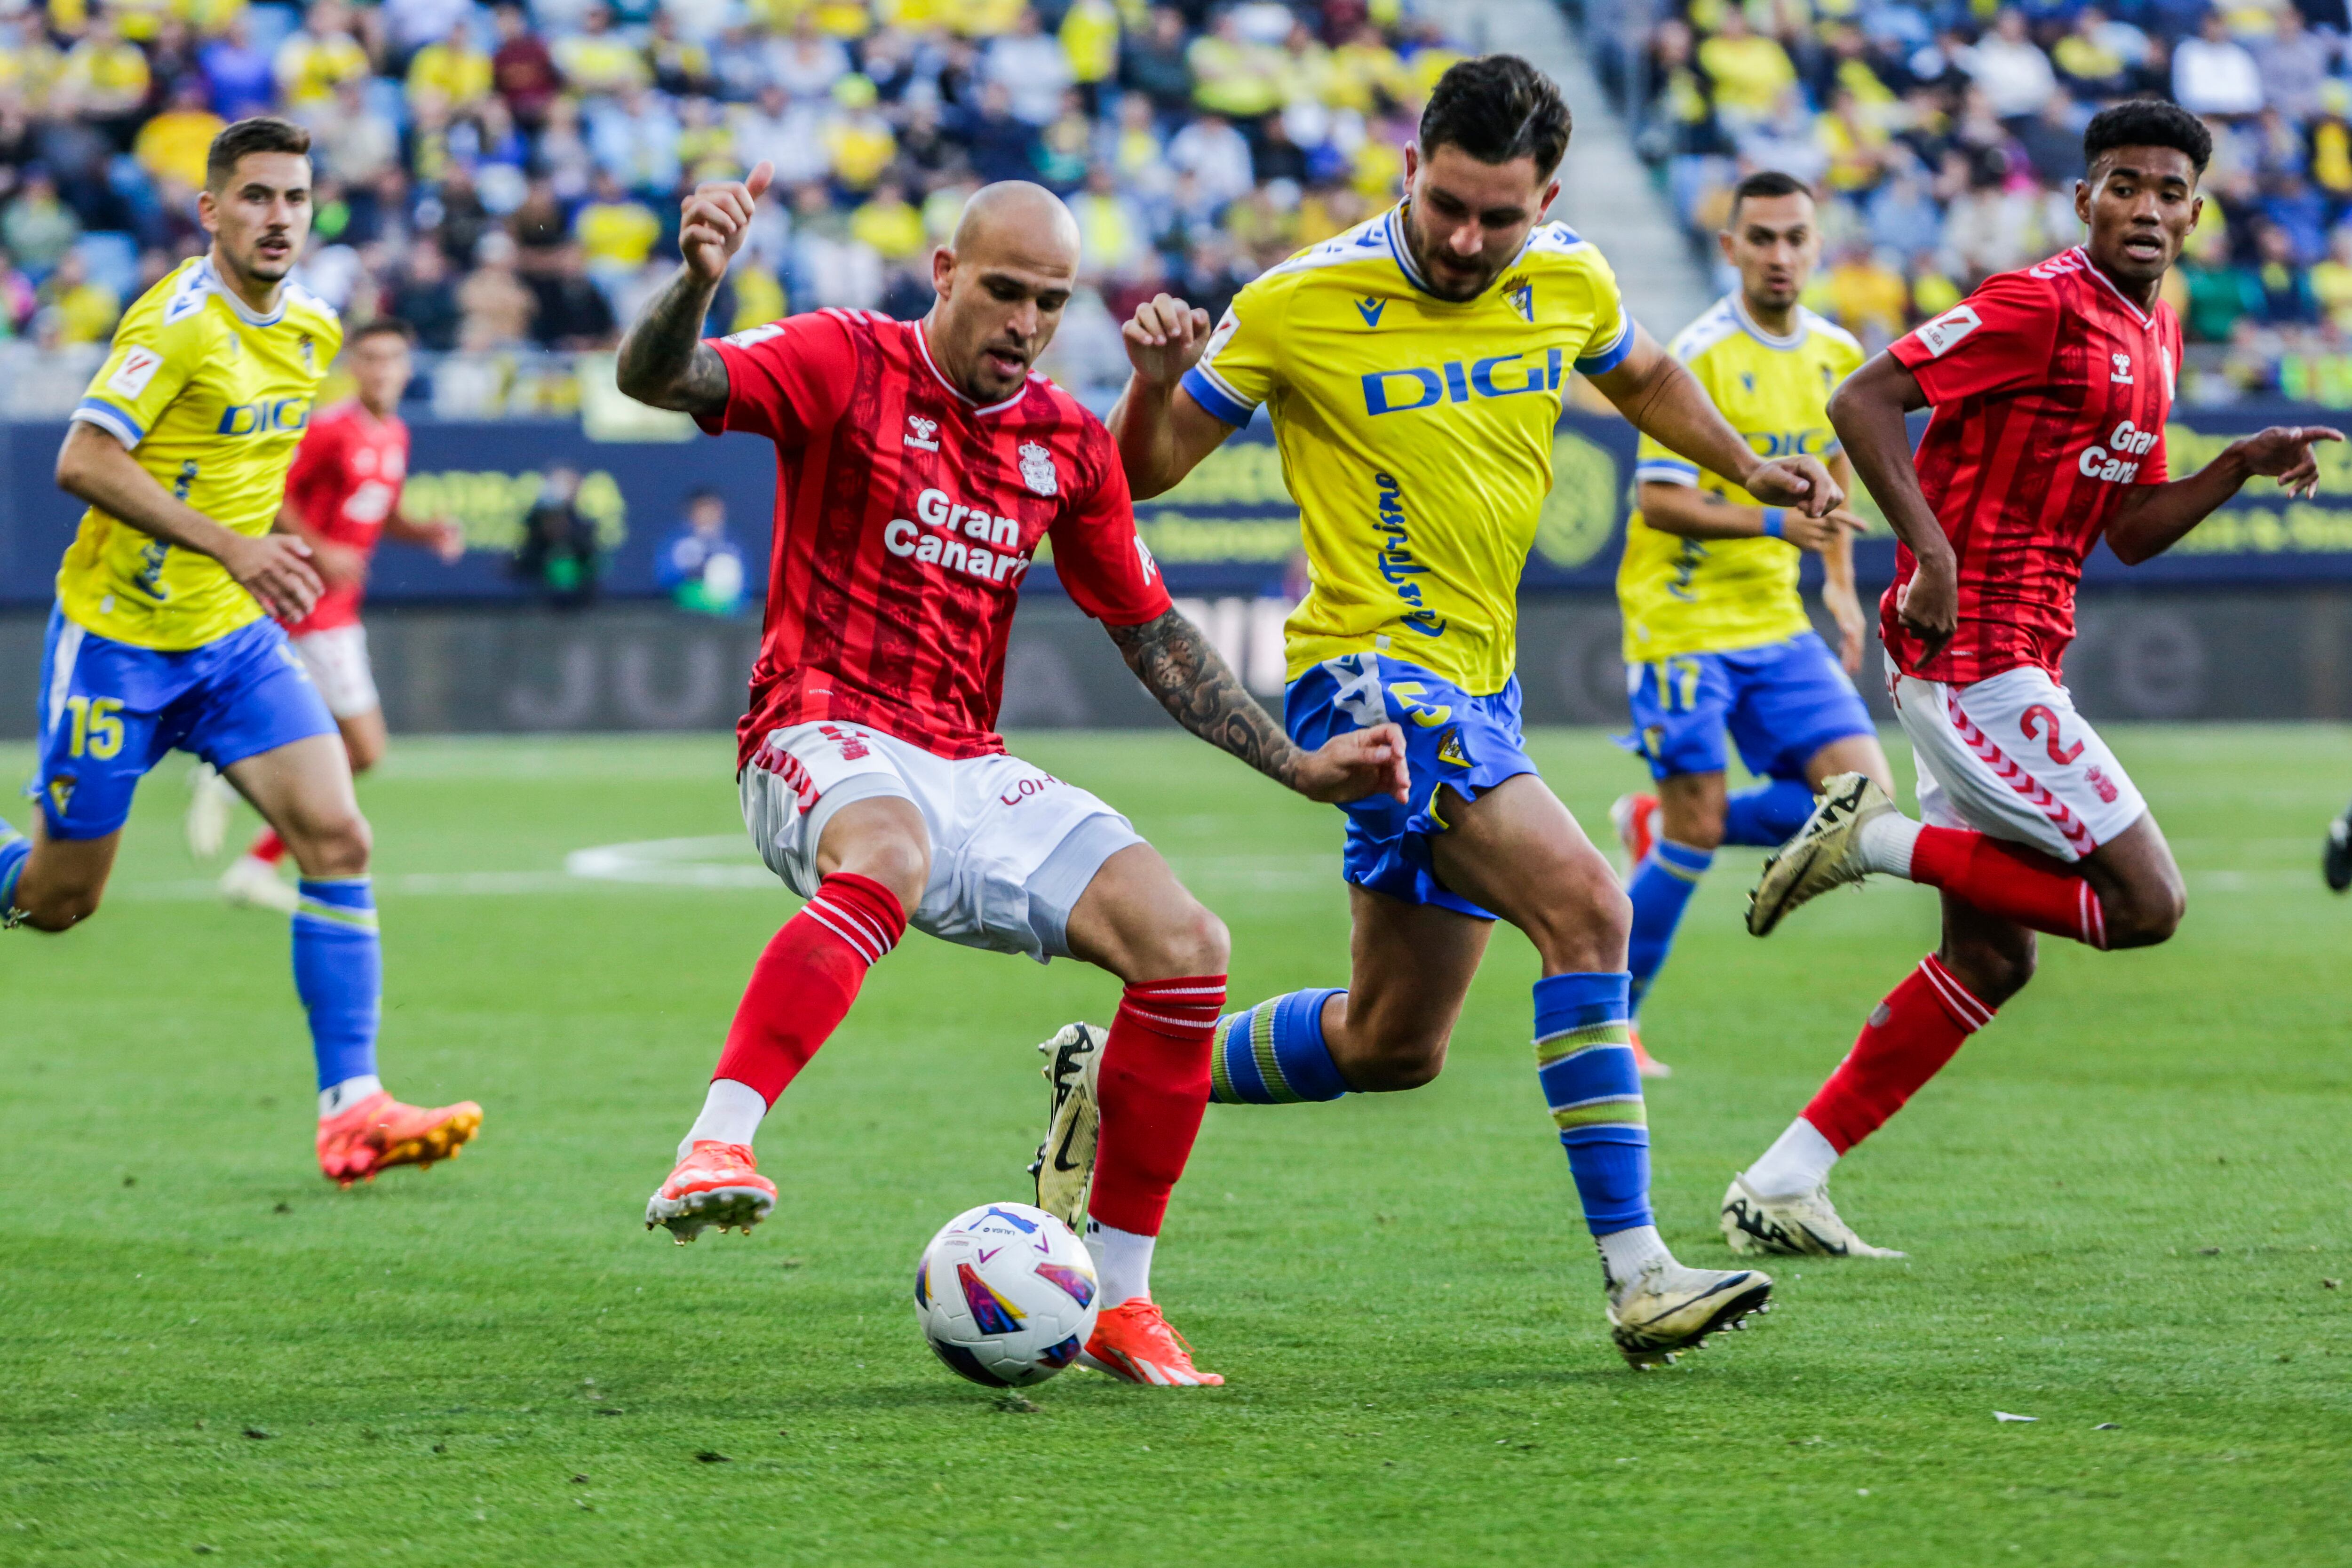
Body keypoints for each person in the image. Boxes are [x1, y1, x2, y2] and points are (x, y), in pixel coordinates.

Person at [1074, 55, 1849, 1368]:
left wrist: (1748, 465)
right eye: (1447, 205)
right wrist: (1158, 378)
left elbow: (1649, 378)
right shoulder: (1300, 299)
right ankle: (1641, 1272)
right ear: (1409, 171)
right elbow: (1138, 474)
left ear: (1547, 197)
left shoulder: (1569, 277)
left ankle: (1115, 1074)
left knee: (1391, 1043)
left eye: (1503, 216)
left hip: (1482, 683)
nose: (1468, 239)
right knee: (1591, 904)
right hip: (1373, 675)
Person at [612, 168, 1407, 1387]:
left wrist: (1299, 767)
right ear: (944, 273)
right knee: (887, 849)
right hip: (815, 728)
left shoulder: (1065, 442)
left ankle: (1124, 1300)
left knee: (1187, 942)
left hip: (966, 760)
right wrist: (698, 285)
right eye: (1003, 292)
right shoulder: (844, 359)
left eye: (1050, 301)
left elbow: (1151, 633)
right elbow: (663, 378)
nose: (1026, 324)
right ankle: (717, 1145)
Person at [1734, 102, 2339, 1258]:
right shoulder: (2039, 302)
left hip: (2014, 654)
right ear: (2083, 199)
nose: (2146, 208)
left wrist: (2236, 466)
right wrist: (1936, 556)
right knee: (2147, 906)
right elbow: (1859, 402)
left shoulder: (2152, 339)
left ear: (2196, 212)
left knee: (1990, 958)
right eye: (2123, 185)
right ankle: (1874, 842)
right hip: (1979, 657)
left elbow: (2132, 532)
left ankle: (1785, 1178)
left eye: (2168, 191)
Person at [0, 118, 483, 1189]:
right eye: (256, 197)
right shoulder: (176, 321)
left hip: (229, 646)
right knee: (55, 901)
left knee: (338, 833)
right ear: (211, 211)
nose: (278, 217)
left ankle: (352, 1111)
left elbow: (244, 475)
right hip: (119, 644)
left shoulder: (311, 330)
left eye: (295, 199)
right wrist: (235, 548)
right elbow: (83, 457)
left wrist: (260, 562)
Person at [1606, 171, 1891, 1081]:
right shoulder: (1698, 353)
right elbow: (1658, 501)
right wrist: (1775, 522)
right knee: (1696, 834)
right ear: (1728, 247)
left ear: (1818, 246)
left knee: (1861, 805)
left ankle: (1655, 820)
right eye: (1760, 237)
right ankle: (1615, 1019)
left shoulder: (1839, 353)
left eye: (1795, 237)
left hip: (1774, 617)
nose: (1779, 254)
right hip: (1682, 618)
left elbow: (1837, 486)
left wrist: (1840, 588)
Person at [194, 317, 466, 911]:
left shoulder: (393, 433)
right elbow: (273, 494)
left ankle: (248, 837)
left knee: (333, 745)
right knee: (364, 750)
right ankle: (238, 790)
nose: (382, 370)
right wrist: (321, 550)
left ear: (407, 367)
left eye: (392, 359)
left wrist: (426, 535)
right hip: (309, 607)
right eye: (370, 359)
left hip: (336, 609)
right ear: (353, 367)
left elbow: (381, 513)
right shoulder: (330, 429)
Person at [510, 464, 600, 608]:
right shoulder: (532, 536)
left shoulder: (584, 532)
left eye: (559, 518)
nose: (554, 525)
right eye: (549, 518)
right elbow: (517, 567)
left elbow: (593, 569)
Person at [655, 486, 747, 616]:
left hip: (727, 608)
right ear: (691, 512)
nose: (708, 513)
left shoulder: (732, 543)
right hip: (687, 607)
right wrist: (693, 575)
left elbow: (744, 581)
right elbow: (666, 576)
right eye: (703, 508)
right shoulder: (677, 542)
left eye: (713, 508)